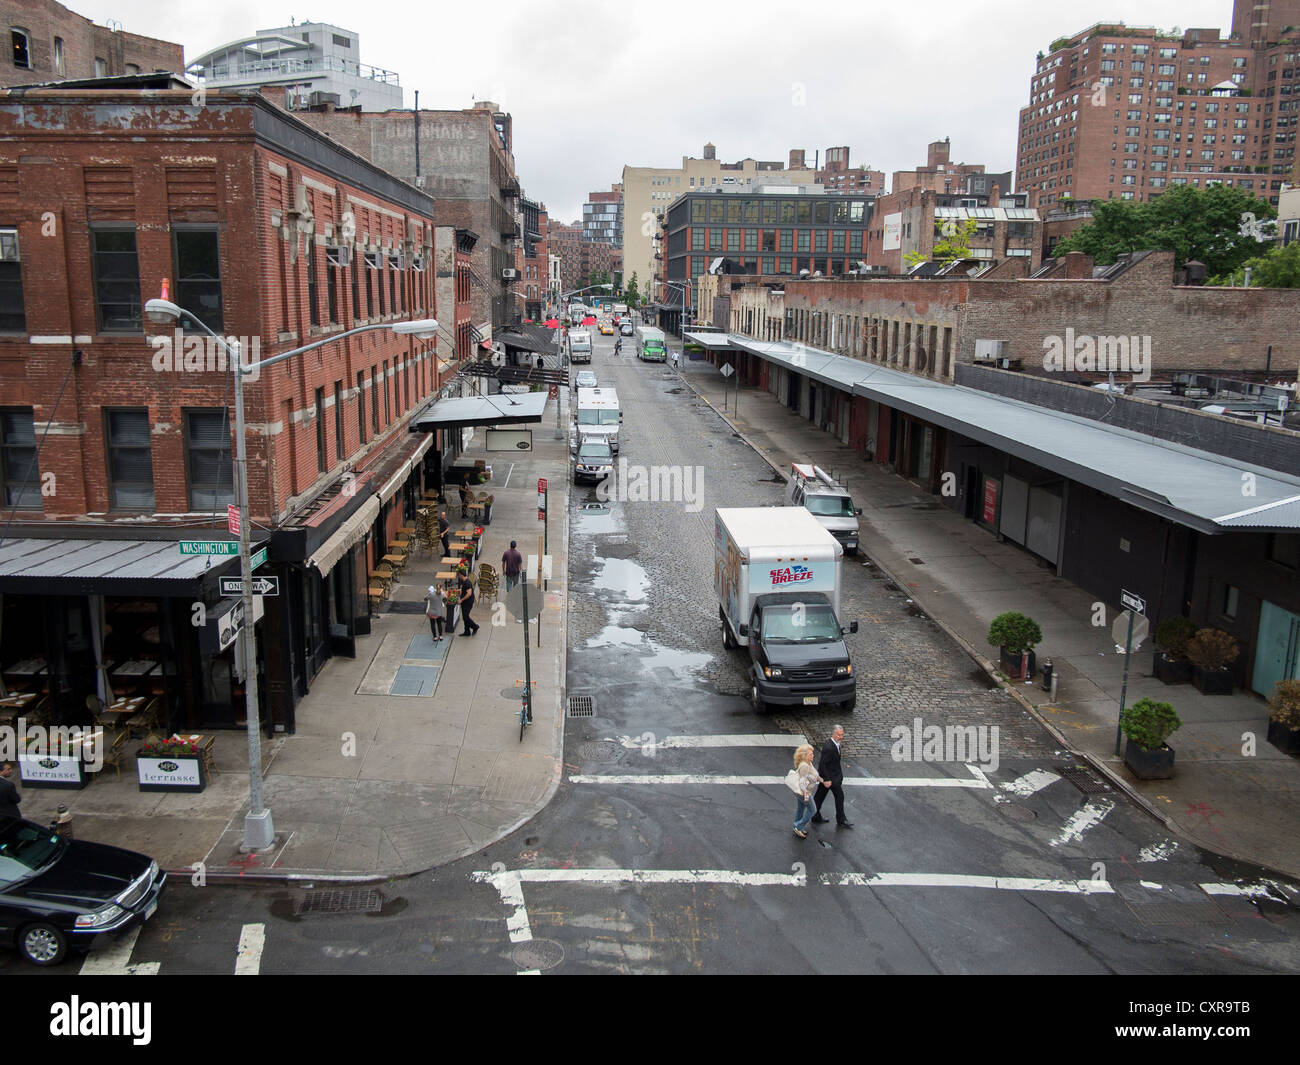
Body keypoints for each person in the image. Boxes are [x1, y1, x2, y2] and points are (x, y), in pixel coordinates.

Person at [811, 725, 853, 828]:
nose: (841, 737)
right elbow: (822, 764)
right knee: (839, 796)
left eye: (842, 734)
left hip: (831, 777)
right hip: (830, 778)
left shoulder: (834, 744)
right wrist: (827, 779)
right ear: (833, 734)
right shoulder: (829, 747)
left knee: (819, 797)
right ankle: (841, 819)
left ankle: (815, 815)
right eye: (839, 735)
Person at [791, 744, 830, 839]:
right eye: (811, 754)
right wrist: (806, 795)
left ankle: (797, 826)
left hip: (802, 792)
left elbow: (814, 775)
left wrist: (822, 781)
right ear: (805, 755)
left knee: (801, 809)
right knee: (813, 810)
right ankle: (798, 827)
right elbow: (802, 782)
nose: (813, 755)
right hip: (803, 792)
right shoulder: (804, 766)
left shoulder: (809, 763)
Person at [458, 572, 480, 636]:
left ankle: (475, 626)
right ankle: (467, 631)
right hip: (465, 602)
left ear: (461, 575)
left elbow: (469, 594)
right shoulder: (464, 581)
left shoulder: (467, 582)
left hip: (468, 602)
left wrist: (461, 600)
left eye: (458, 575)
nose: (458, 577)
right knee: (465, 617)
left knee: (466, 617)